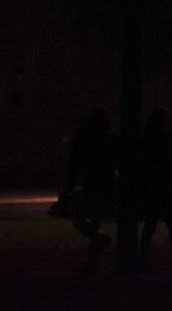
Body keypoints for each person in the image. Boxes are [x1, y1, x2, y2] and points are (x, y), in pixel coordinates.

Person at [62, 105, 116, 273]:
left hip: (93, 184)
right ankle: (95, 250)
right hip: (105, 184)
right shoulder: (109, 138)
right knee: (93, 220)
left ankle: (92, 260)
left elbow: (74, 163)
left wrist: (69, 186)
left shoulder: (85, 137)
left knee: (82, 219)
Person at [136, 108, 172, 269]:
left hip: (153, 187)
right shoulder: (171, 139)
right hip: (166, 188)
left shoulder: (147, 140)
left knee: (150, 226)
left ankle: (143, 261)